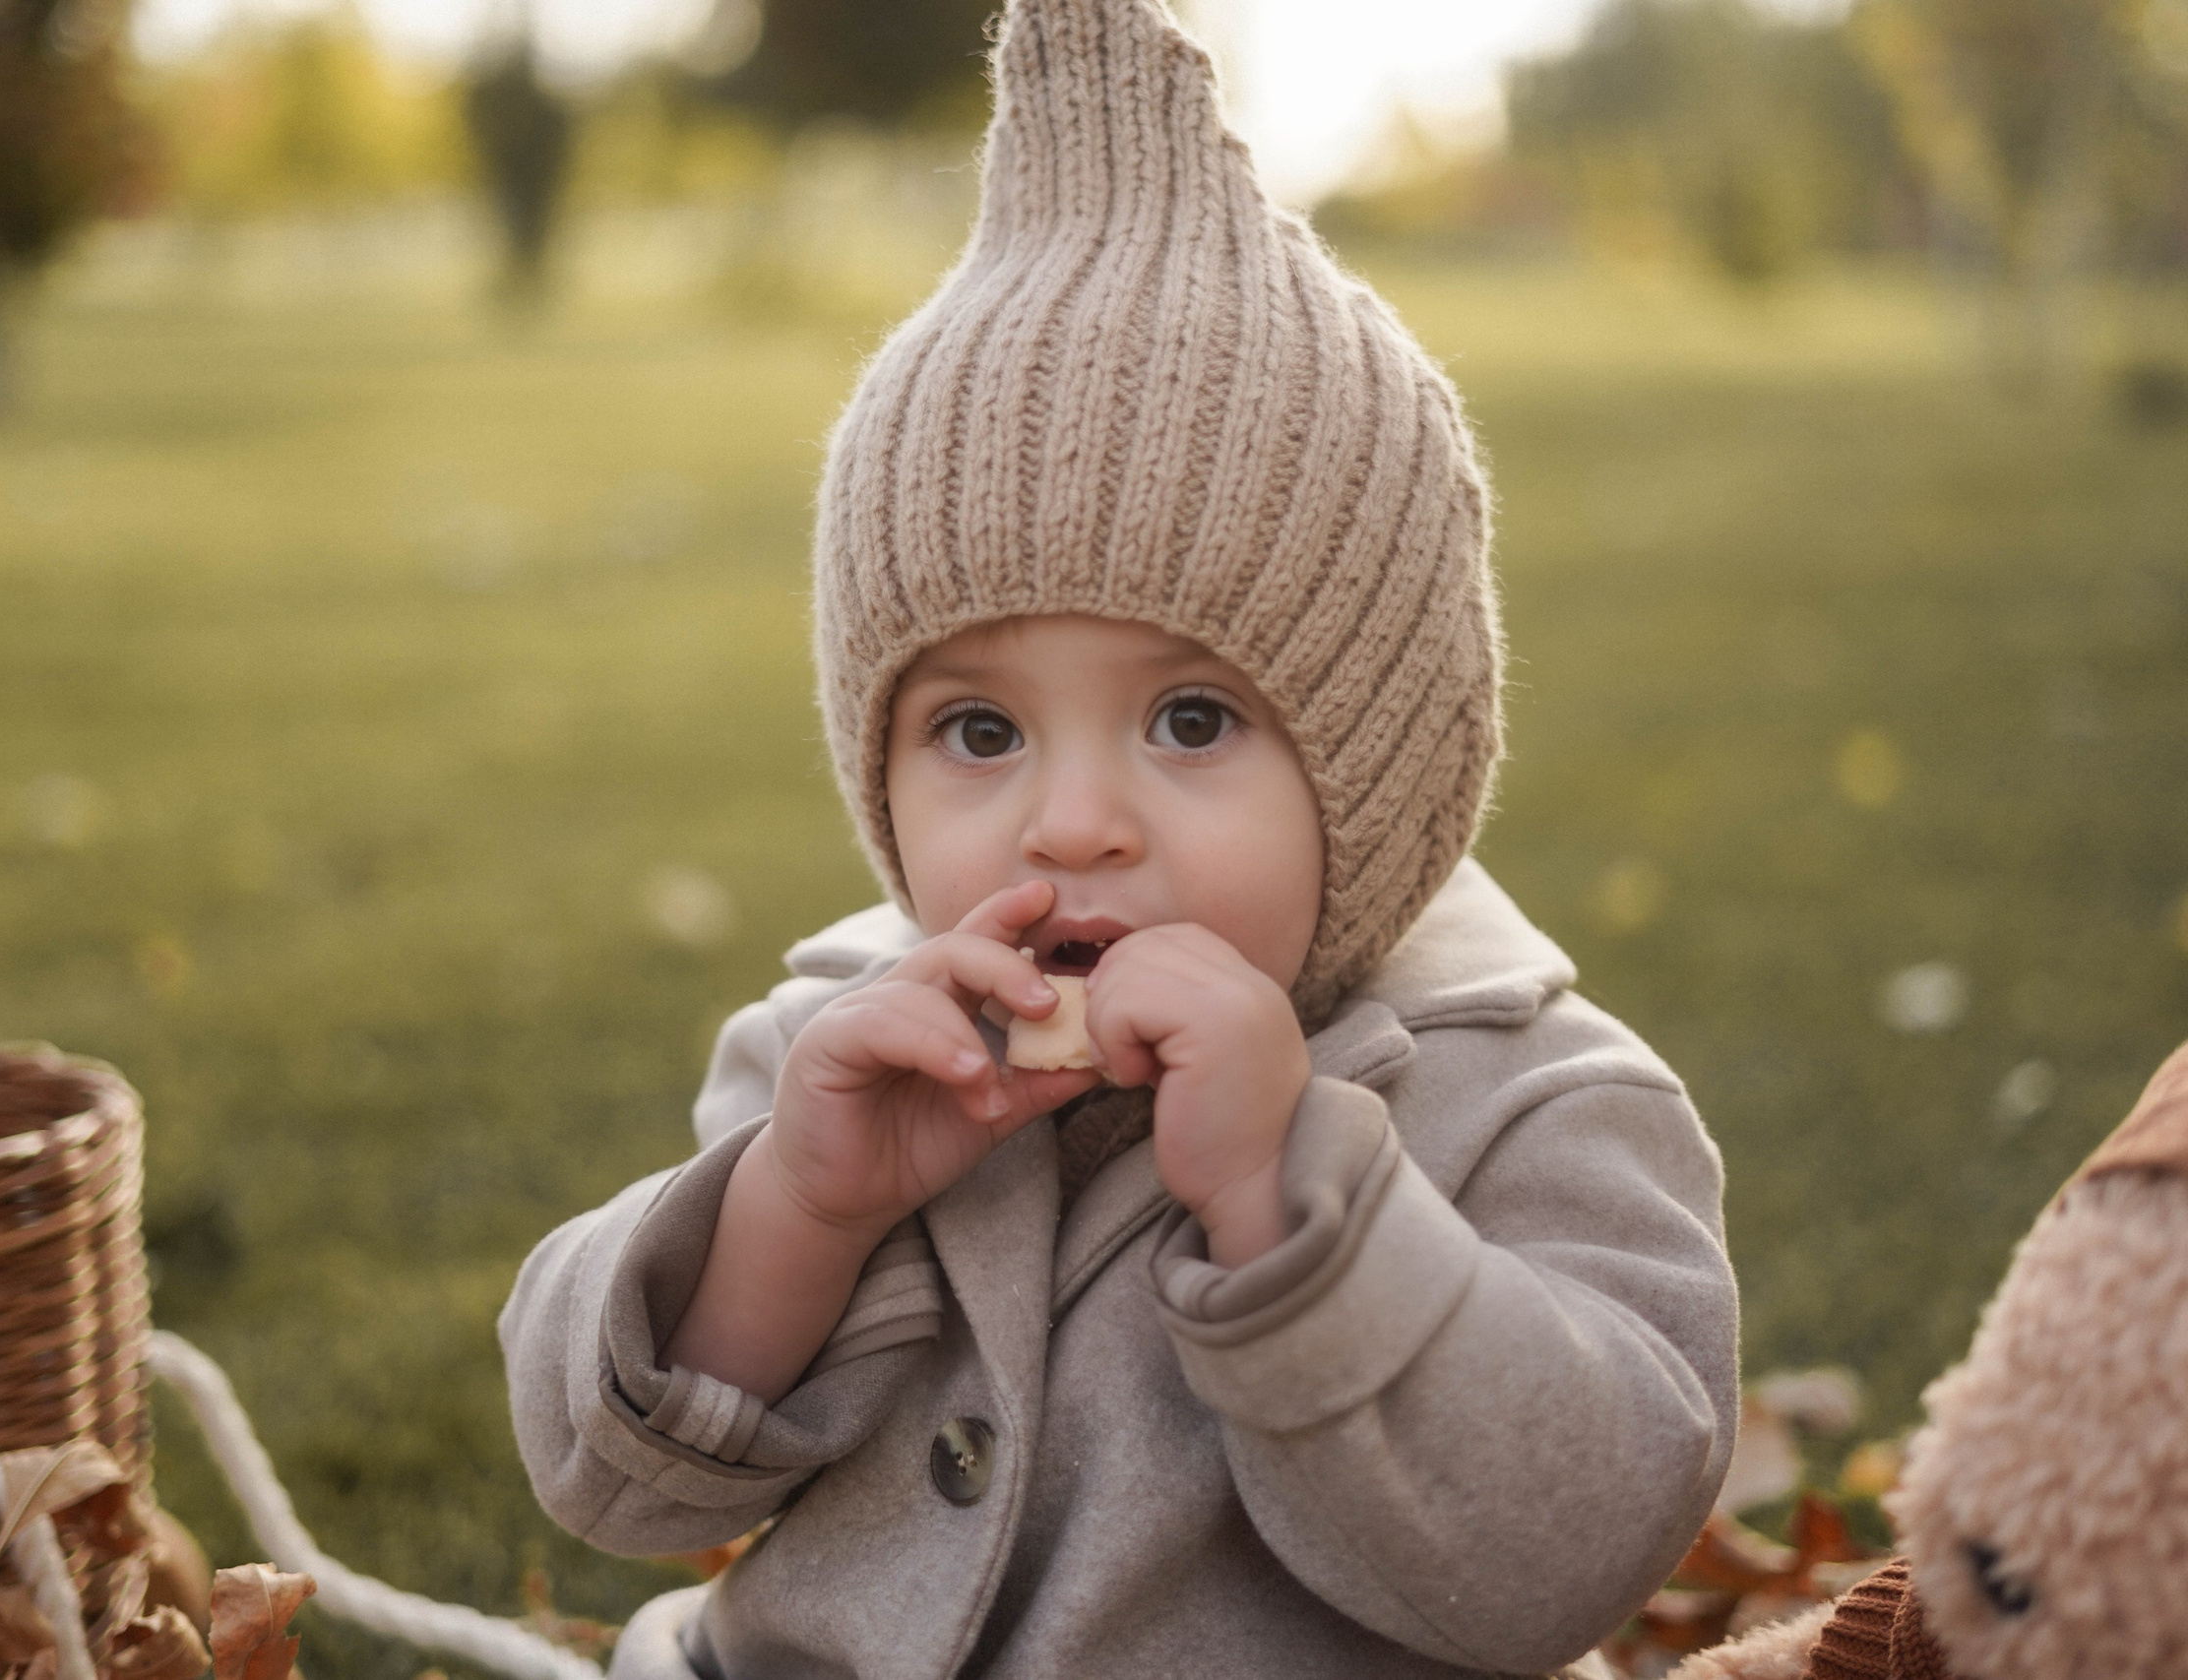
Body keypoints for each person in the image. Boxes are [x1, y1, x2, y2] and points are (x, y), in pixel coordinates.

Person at [500, 2, 1738, 1674]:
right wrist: (800, 1207)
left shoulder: (1529, 1103)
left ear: (1375, 764)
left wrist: (1292, 1201)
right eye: (980, 733)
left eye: (1192, 722)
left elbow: (1566, 1554)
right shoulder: (842, 1049)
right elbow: (611, 1486)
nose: (1072, 822)